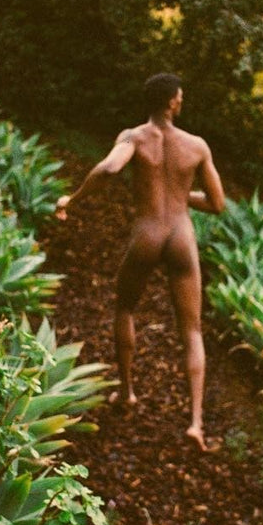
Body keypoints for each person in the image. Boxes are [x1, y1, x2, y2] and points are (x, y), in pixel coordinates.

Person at [56, 73, 225, 452]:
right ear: (172, 102)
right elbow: (217, 203)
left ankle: (128, 393)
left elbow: (110, 169)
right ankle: (196, 423)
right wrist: (181, 194)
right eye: (180, 97)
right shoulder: (197, 146)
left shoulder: (132, 137)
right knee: (192, 330)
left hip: (147, 234)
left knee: (125, 308)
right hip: (181, 236)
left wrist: (75, 198)